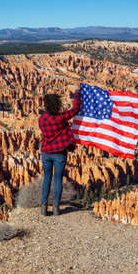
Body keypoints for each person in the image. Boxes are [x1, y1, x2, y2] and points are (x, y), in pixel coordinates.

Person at [38, 84, 81, 216]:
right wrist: (77, 92)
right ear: (56, 104)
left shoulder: (42, 119)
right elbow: (76, 109)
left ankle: (43, 208)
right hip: (59, 154)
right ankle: (56, 208)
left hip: (46, 152)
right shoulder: (61, 118)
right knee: (57, 179)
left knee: (46, 178)